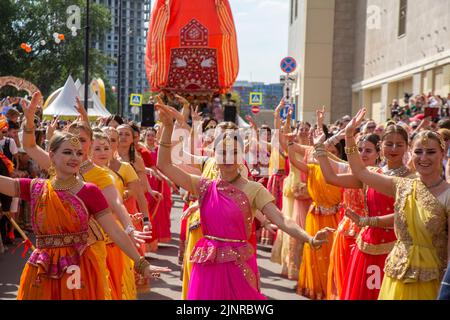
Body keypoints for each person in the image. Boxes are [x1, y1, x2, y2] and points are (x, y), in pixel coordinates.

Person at [155, 102, 333, 300]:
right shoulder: (203, 186)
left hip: (239, 265)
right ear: (214, 154)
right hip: (207, 265)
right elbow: (164, 164)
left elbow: (282, 220)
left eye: (233, 152)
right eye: (222, 152)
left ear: (242, 155)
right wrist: (168, 127)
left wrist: (308, 238)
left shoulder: (254, 189)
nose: (228, 157)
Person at [0, 131, 170, 300]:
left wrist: (141, 263)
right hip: (42, 268)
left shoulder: (89, 191)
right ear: (52, 155)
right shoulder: (37, 188)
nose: (75, 157)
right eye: (67, 152)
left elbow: (115, 231)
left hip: (78, 269)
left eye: (79, 153)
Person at [345, 109, 450, 300]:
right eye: (418, 151)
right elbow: (360, 172)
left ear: (443, 154)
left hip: (431, 279)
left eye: (431, 152)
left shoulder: (448, 195)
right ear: (411, 153)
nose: (423, 157)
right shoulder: (402, 185)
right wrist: (349, 136)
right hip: (396, 276)